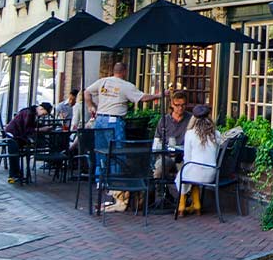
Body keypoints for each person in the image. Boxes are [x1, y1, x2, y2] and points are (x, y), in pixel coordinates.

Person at [84, 62, 164, 211]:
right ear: (125, 71)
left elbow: (87, 92)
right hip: (114, 121)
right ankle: (115, 185)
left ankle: (100, 181)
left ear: (113, 71)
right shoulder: (126, 85)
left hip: (100, 120)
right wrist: (159, 95)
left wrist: (91, 106)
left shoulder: (103, 82)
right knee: (117, 153)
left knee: (101, 151)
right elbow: (142, 98)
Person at [174, 104, 220, 216]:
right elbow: (216, 154)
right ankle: (197, 205)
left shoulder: (190, 134)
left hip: (195, 172)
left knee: (183, 174)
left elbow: (187, 158)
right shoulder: (216, 134)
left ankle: (181, 206)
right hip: (212, 173)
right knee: (190, 172)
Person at [3, 102, 53, 184]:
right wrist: (41, 129)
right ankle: (14, 175)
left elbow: (32, 125)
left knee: (21, 151)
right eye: (44, 114)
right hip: (14, 135)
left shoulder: (32, 112)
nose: (43, 116)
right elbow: (27, 129)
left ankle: (17, 174)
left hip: (17, 135)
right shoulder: (29, 113)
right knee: (15, 153)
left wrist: (41, 127)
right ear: (41, 109)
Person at [152, 90, 191, 180]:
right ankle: (159, 192)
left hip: (183, 157)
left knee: (186, 174)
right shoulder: (164, 120)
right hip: (166, 155)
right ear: (172, 105)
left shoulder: (190, 119)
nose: (180, 108)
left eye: (183, 105)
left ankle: (181, 193)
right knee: (159, 171)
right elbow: (157, 140)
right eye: (177, 105)